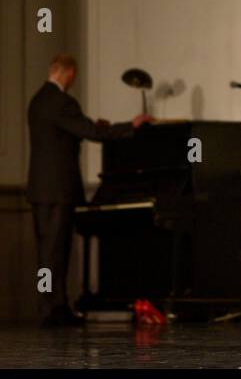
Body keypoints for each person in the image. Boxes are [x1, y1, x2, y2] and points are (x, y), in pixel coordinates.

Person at [26, 53, 152, 327]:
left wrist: (93, 125)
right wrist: (129, 126)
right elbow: (89, 132)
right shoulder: (63, 101)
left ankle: (52, 305)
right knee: (56, 253)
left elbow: (64, 133)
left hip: (39, 189)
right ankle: (53, 309)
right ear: (69, 73)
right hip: (58, 190)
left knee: (47, 253)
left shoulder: (37, 101)